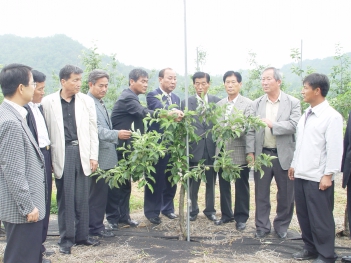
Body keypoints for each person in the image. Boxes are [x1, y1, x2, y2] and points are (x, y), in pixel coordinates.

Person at [107, 68, 183, 229]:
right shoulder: (128, 97)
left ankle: (123, 217)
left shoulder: (133, 97)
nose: (145, 85)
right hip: (121, 147)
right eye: (142, 81)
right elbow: (143, 112)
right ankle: (113, 219)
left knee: (125, 184)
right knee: (118, 184)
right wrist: (167, 115)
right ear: (132, 81)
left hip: (128, 148)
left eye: (147, 81)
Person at [41, 65, 99, 255]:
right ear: (63, 81)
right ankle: (66, 239)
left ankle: (82, 236)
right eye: (74, 80)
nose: (78, 84)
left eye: (80, 80)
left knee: (83, 197)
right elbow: (46, 132)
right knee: (66, 198)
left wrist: (93, 156)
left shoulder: (86, 101)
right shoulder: (48, 101)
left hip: (82, 151)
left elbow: (92, 130)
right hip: (62, 152)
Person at [289, 73, 342, 263]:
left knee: (321, 219)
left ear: (317, 90)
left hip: (318, 177)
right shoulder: (307, 114)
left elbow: (335, 149)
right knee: (304, 216)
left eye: (305, 87)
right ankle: (310, 248)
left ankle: (326, 254)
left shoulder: (332, 117)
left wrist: (328, 174)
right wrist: (294, 164)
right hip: (302, 173)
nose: (302, 91)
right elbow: (301, 143)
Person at [0, 64, 49, 263]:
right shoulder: (11, 122)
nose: (35, 87)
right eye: (32, 83)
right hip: (22, 210)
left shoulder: (14, 114)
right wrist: (28, 207)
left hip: (24, 207)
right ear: (21, 88)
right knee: (21, 257)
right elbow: (13, 170)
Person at [246, 67, 301, 239]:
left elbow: (294, 125)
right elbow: (250, 130)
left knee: (286, 194)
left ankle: (282, 226)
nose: (264, 82)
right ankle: (262, 226)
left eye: (268, 79)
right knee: (261, 194)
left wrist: (273, 125)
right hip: (262, 154)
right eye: (262, 79)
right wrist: (250, 151)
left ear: (278, 81)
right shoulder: (256, 104)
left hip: (283, 155)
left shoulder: (293, 102)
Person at [87, 69, 132, 237]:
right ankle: (95, 228)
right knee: (97, 196)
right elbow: (96, 130)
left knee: (102, 195)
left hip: (106, 157)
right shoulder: (89, 103)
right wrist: (116, 134)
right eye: (101, 86)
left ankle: (97, 225)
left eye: (106, 86)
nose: (104, 89)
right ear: (91, 84)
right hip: (99, 157)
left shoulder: (99, 102)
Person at [214, 71, 252, 231]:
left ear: (240, 84)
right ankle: (226, 214)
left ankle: (241, 217)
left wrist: (231, 128)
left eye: (233, 82)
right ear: (224, 84)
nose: (230, 85)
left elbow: (247, 128)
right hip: (222, 151)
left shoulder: (248, 104)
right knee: (223, 184)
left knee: (241, 185)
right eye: (227, 82)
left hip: (239, 150)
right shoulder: (219, 104)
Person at [23, 70, 54, 260]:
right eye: (39, 88)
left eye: (43, 88)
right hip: (35, 156)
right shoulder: (24, 112)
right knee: (35, 202)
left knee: (46, 200)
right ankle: (33, 248)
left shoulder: (39, 108)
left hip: (46, 153)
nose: (42, 92)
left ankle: (40, 244)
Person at [182, 71, 221, 222]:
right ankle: (193, 210)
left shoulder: (216, 101)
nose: (200, 87)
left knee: (211, 181)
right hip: (194, 148)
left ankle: (210, 210)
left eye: (203, 83)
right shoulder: (186, 102)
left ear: (208, 84)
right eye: (197, 84)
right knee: (193, 182)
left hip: (211, 147)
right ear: (193, 85)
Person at [144, 68, 181, 224]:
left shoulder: (177, 98)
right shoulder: (153, 95)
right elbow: (160, 110)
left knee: (171, 177)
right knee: (155, 178)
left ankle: (167, 208)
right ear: (160, 79)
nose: (173, 81)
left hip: (173, 145)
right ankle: (152, 212)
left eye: (175, 78)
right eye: (169, 78)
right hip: (157, 145)